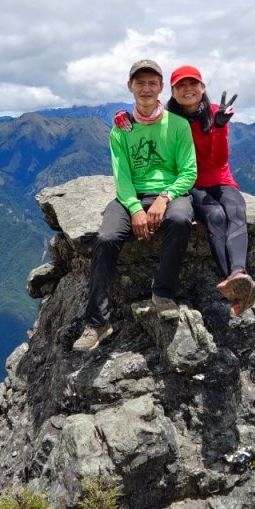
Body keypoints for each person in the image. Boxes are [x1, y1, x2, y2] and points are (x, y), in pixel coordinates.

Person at [73, 59, 198, 352]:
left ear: (161, 88)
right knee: (105, 238)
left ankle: (162, 293)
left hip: (170, 193)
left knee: (180, 220)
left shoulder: (178, 125)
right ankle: (97, 323)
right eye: (139, 83)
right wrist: (135, 208)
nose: (145, 89)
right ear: (130, 87)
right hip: (132, 195)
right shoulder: (121, 129)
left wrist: (165, 198)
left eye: (151, 83)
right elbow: (122, 176)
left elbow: (189, 171)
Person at [166, 65, 255, 315]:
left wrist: (218, 128)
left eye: (193, 84)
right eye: (181, 85)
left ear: (203, 87)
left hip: (221, 178)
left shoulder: (217, 114)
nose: (188, 89)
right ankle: (234, 282)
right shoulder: (169, 121)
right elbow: (141, 116)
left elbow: (219, 161)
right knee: (215, 216)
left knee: (236, 209)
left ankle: (238, 273)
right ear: (173, 92)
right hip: (192, 182)